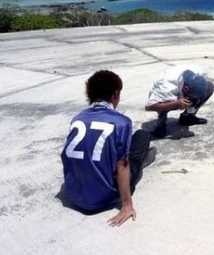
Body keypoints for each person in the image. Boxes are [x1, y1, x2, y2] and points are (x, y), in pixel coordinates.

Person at [61, 70, 154, 226]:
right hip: (104, 196)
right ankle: (139, 163)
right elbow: (121, 167)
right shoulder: (121, 122)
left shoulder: (77, 119)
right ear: (115, 94)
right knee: (142, 136)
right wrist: (127, 205)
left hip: (75, 195)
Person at [145, 66, 214, 138]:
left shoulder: (198, 74)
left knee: (210, 87)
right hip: (160, 96)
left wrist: (194, 101)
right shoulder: (167, 87)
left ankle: (187, 118)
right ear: (186, 88)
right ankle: (161, 124)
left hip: (181, 90)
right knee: (166, 101)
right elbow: (149, 107)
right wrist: (175, 104)